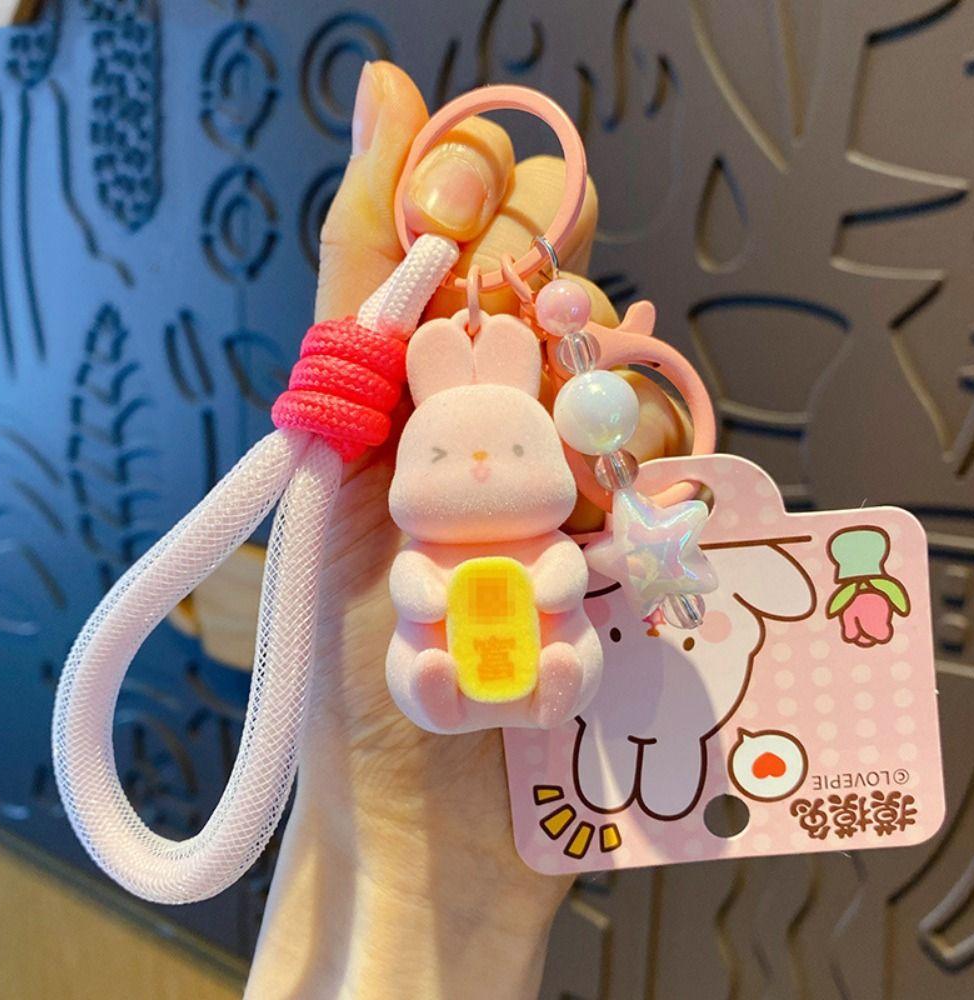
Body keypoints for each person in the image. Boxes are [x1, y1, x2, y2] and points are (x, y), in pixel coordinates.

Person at [245, 61, 685, 999]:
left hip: (524, 668)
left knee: (564, 641)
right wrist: (389, 830)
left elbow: (560, 580)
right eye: (445, 458)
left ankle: (540, 686)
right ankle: (439, 693)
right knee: (424, 661)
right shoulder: (418, 556)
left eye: (511, 453)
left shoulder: (538, 540)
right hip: (430, 684)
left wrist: (561, 576)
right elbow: (416, 592)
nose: (480, 467)